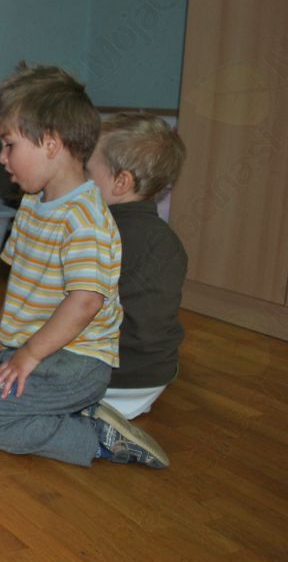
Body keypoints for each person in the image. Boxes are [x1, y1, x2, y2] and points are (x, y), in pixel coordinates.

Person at [0, 62, 169, 468]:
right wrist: (5, 340)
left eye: (9, 145)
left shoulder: (85, 219)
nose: (1, 158)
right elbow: (24, 288)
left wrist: (29, 354)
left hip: (78, 361)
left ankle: (96, 438)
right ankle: (71, 411)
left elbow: (85, 302)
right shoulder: (33, 203)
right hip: (41, 347)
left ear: (50, 143)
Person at [86, 112, 188, 419]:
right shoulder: (169, 240)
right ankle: (113, 417)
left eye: (86, 171)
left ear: (121, 182)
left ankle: (82, 422)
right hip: (153, 378)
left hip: (103, 376)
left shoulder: (97, 234)